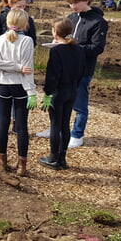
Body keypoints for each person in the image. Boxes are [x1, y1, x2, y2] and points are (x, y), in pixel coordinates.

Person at [36, 0, 108, 148]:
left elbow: (97, 48)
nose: (73, 6)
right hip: (63, 68)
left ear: (87, 1)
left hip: (82, 69)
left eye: (76, 3)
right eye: (70, 3)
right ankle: (56, 128)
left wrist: (72, 48)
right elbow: (66, 37)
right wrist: (58, 43)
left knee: (80, 103)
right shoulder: (71, 17)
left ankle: (77, 134)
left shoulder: (98, 22)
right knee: (58, 99)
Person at [0, 9, 37, 176]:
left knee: (2, 122)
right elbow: (27, 69)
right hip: (20, 86)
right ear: (25, 24)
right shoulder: (27, 41)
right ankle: (22, 166)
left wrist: (12, 67)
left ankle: (2, 160)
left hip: (2, 84)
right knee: (22, 125)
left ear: (8, 23)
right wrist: (32, 91)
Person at [38, 18, 86, 170]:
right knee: (65, 124)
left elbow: (52, 75)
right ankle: (62, 158)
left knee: (55, 125)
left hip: (58, 92)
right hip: (72, 90)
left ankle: (53, 158)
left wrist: (47, 93)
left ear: (55, 32)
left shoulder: (56, 51)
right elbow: (82, 71)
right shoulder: (78, 49)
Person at [0, 0, 37, 136]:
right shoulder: (0, 19)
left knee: (18, 98)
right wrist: (11, 63)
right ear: (10, 6)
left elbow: (32, 40)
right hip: (5, 69)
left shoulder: (28, 20)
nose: (22, 9)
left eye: (24, 6)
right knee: (1, 97)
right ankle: (0, 122)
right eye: (19, 6)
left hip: (21, 67)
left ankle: (17, 123)